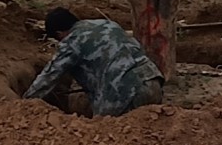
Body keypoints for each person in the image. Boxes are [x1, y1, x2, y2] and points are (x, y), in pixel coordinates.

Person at [23, 8, 164, 116]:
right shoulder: (108, 24)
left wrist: (25, 103)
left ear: (60, 34)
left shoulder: (73, 41)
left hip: (125, 93)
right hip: (153, 81)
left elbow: (50, 75)